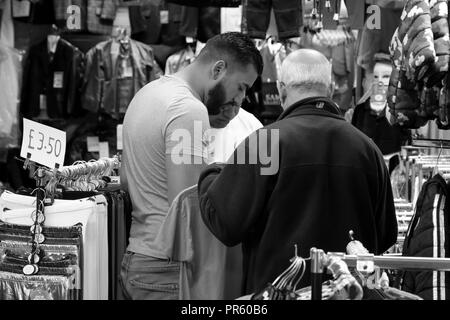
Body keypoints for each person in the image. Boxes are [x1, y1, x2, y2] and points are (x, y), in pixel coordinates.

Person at [197, 49, 398, 296]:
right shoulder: (367, 149)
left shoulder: (265, 143)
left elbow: (225, 222)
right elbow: (386, 235)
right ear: (332, 89)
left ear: (282, 90)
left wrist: (212, 172)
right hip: (351, 293)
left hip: (279, 292)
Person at [119, 32, 263, 300]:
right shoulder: (188, 109)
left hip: (138, 260)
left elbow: (126, 179)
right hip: (170, 271)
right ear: (218, 69)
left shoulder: (146, 94)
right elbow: (190, 206)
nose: (241, 98)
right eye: (241, 86)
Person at [349, 53, 410, 161]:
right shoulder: (360, 111)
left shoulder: (401, 113)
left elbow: (404, 149)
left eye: (385, 76)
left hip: (390, 174)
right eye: (376, 76)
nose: (380, 82)